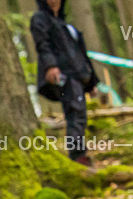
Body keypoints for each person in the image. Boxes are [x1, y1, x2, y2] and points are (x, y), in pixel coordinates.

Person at [31, 0, 100, 167]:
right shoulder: (40, 19)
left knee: (80, 114)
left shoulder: (67, 26)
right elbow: (43, 45)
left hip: (77, 75)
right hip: (63, 76)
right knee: (74, 112)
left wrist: (91, 83)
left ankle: (79, 154)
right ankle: (77, 156)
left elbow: (81, 55)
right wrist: (51, 66)